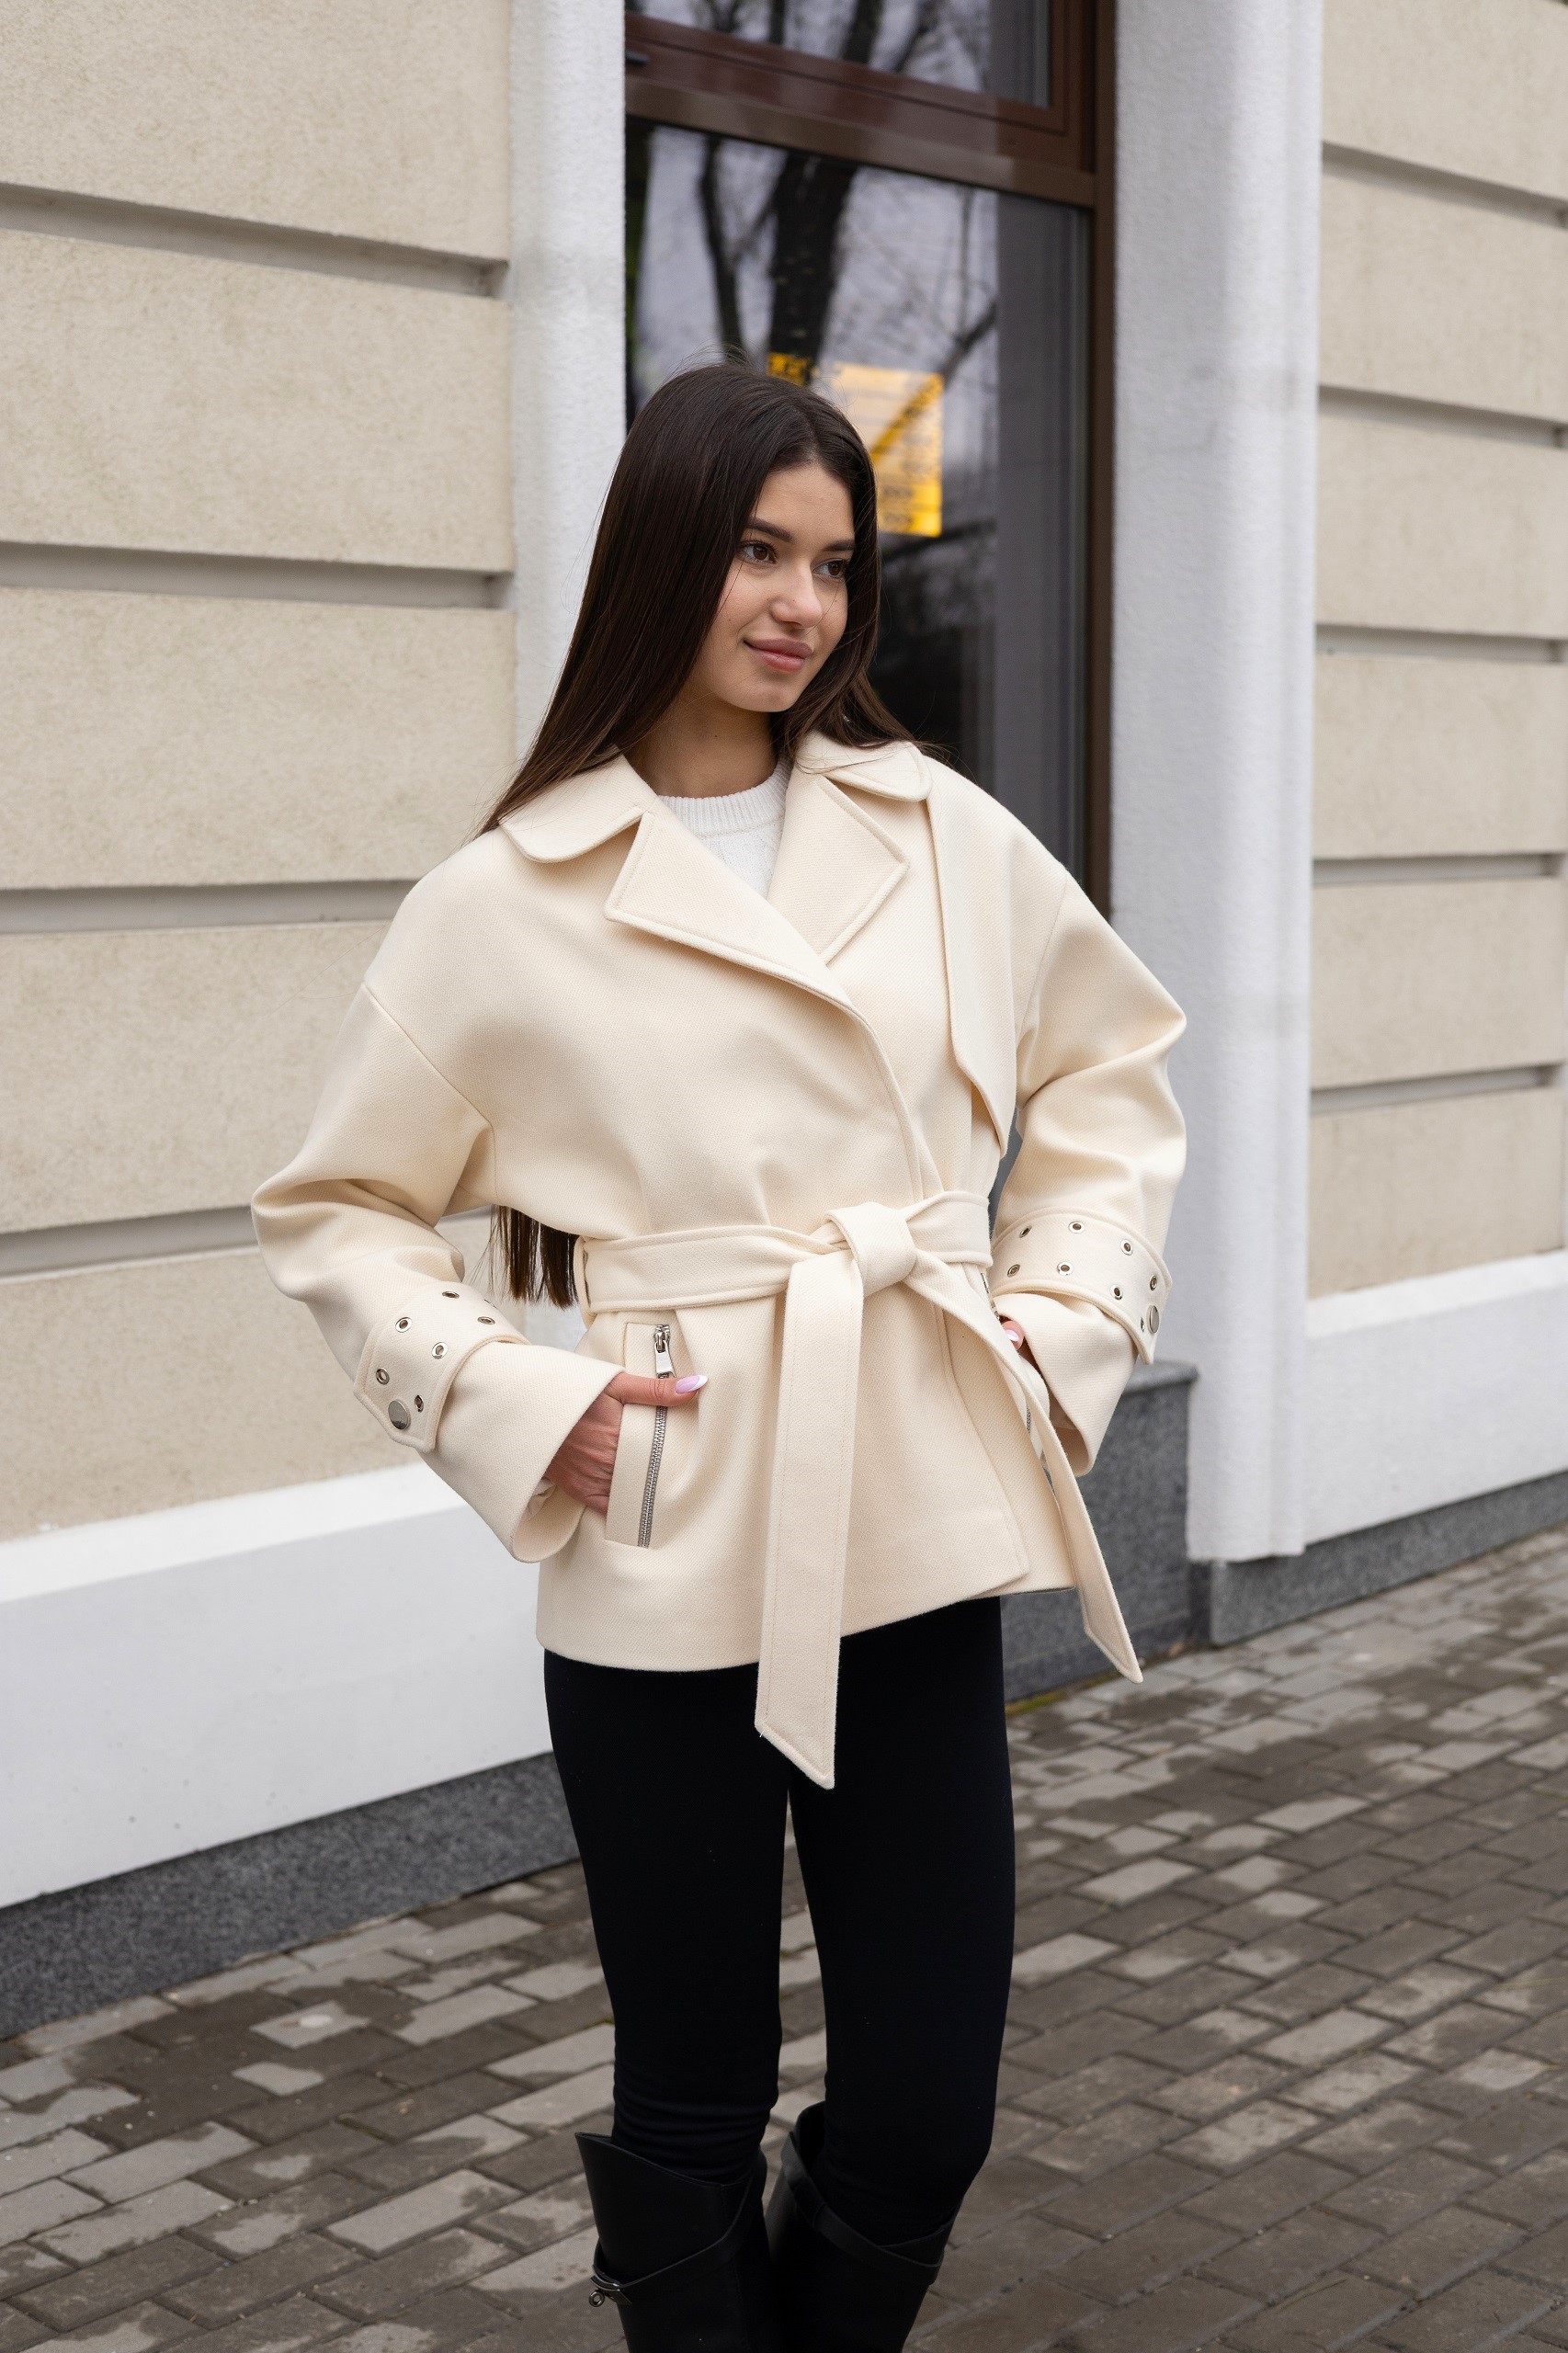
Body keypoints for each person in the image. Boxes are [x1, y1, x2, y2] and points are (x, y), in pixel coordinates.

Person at [254, 362, 1185, 2352]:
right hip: (666, 1524)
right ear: (665, 551)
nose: (801, 604)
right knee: (690, 2092)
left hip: (910, 1504)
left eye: (836, 564)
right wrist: (523, 1404)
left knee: (927, 2102)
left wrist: (1056, 1329)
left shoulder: (937, 828)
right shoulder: (504, 897)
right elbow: (338, 1205)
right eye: (760, 550)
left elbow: (1110, 1070)